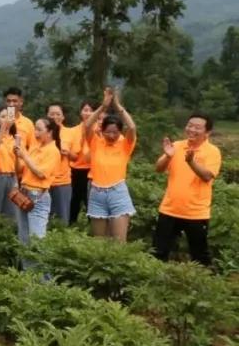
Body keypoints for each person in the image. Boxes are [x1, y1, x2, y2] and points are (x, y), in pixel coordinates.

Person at [152, 113, 222, 265]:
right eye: (190, 125)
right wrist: (167, 156)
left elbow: (207, 176)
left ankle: (203, 285)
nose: (192, 129)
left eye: (197, 127)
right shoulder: (176, 146)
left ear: (207, 132)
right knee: (158, 251)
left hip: (196, 212)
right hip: (169, 209)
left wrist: (191, 162)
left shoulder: (212, 151)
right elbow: (158, 168)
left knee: (199, 256)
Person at [83, 88, 137, 242]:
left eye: (115, 132)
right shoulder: (95, 142)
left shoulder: (125, 145)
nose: (112, 136)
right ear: (101, 130)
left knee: (119, 242)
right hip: (96, 193)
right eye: (108, 132)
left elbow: (132, 127)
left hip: (117, 192)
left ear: (120, 132)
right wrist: (103, 106)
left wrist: (118, 106)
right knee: (100, 241)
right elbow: (87, 126)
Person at [12, 118, 62, 246]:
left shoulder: (53, 151)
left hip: (38, 196)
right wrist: (18, 156)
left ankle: (37, 266)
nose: (35, 132)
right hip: (24, 193)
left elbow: (40, 174)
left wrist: (24, 156)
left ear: (50, 132)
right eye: (35, 129)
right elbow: (19, 169)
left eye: (39, 130)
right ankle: (25, 266)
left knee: (36, 239)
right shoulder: (34, 147)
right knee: (23, 238)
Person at [45, 103, 79, 224]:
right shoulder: (42, 131)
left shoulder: (70, 133)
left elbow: (75, 157)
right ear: (47, 116)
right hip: (43, 180)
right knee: (44, 216)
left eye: (58, 114)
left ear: (63, 117)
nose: (55, 116)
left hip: (62, 181)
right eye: (52, 114)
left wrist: (68, 153)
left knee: (62, 218)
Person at [67, 100, 95, 224]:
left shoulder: (99, 129)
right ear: (80, 112)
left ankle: (92, 226)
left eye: (90, 110)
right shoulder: (73, 131)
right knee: (74, 200)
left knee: (90, 200)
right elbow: (74, 154)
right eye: (85, 110)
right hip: (76, 170)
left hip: (92, 170)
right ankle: (71, 224)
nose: (88, 113)